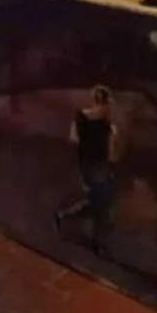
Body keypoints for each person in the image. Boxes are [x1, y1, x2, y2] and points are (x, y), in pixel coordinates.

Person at [54, 85, 120, 255]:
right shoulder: (102, 122)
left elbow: (73, 139)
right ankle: (97, 242)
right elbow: (111, 150)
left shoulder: (86, 118)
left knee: (97, 203)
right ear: (104, 102)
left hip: (91, 165)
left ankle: (64, 216)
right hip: (95, 166)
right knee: (101, 204)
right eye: (108, 103)